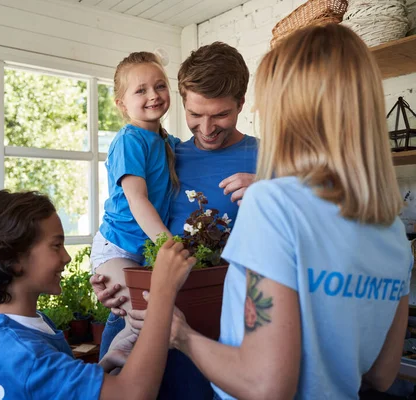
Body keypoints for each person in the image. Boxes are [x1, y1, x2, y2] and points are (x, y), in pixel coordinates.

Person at [168, 23, 413, 399]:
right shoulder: (393, 230)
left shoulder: (273, 202)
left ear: (291, 109)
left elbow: (265, 387)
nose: (262, 109)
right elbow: (381, 374)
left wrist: (181, 336)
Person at [93, 42, 259, 399]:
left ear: (241, 104)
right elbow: (128, 209)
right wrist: (113, 277)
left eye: (221, 115)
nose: (207, 128)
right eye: (195, 114)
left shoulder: (268, 157)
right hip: (143, 316)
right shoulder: (169, 151)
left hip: (217, 328)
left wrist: (270, 191)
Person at [0, 190, 196, 399]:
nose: (67, 257)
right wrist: (163, 292)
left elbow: (48, 390)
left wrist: (108, 360)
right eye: (56, 245)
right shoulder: (26, 354)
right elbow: (132, 394)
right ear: (15, 259)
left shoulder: (8, 330)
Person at [90, 51, 180, 354]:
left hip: (141, 254)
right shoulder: (130, 140)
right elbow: (137, 199)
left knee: (146, 319)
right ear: (121, 104)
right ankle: (107, 376)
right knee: (139, 319)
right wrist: (167, 244)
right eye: (140, 90)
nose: (153, 95)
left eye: (160, 86)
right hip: (115, 249)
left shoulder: (166, 141)